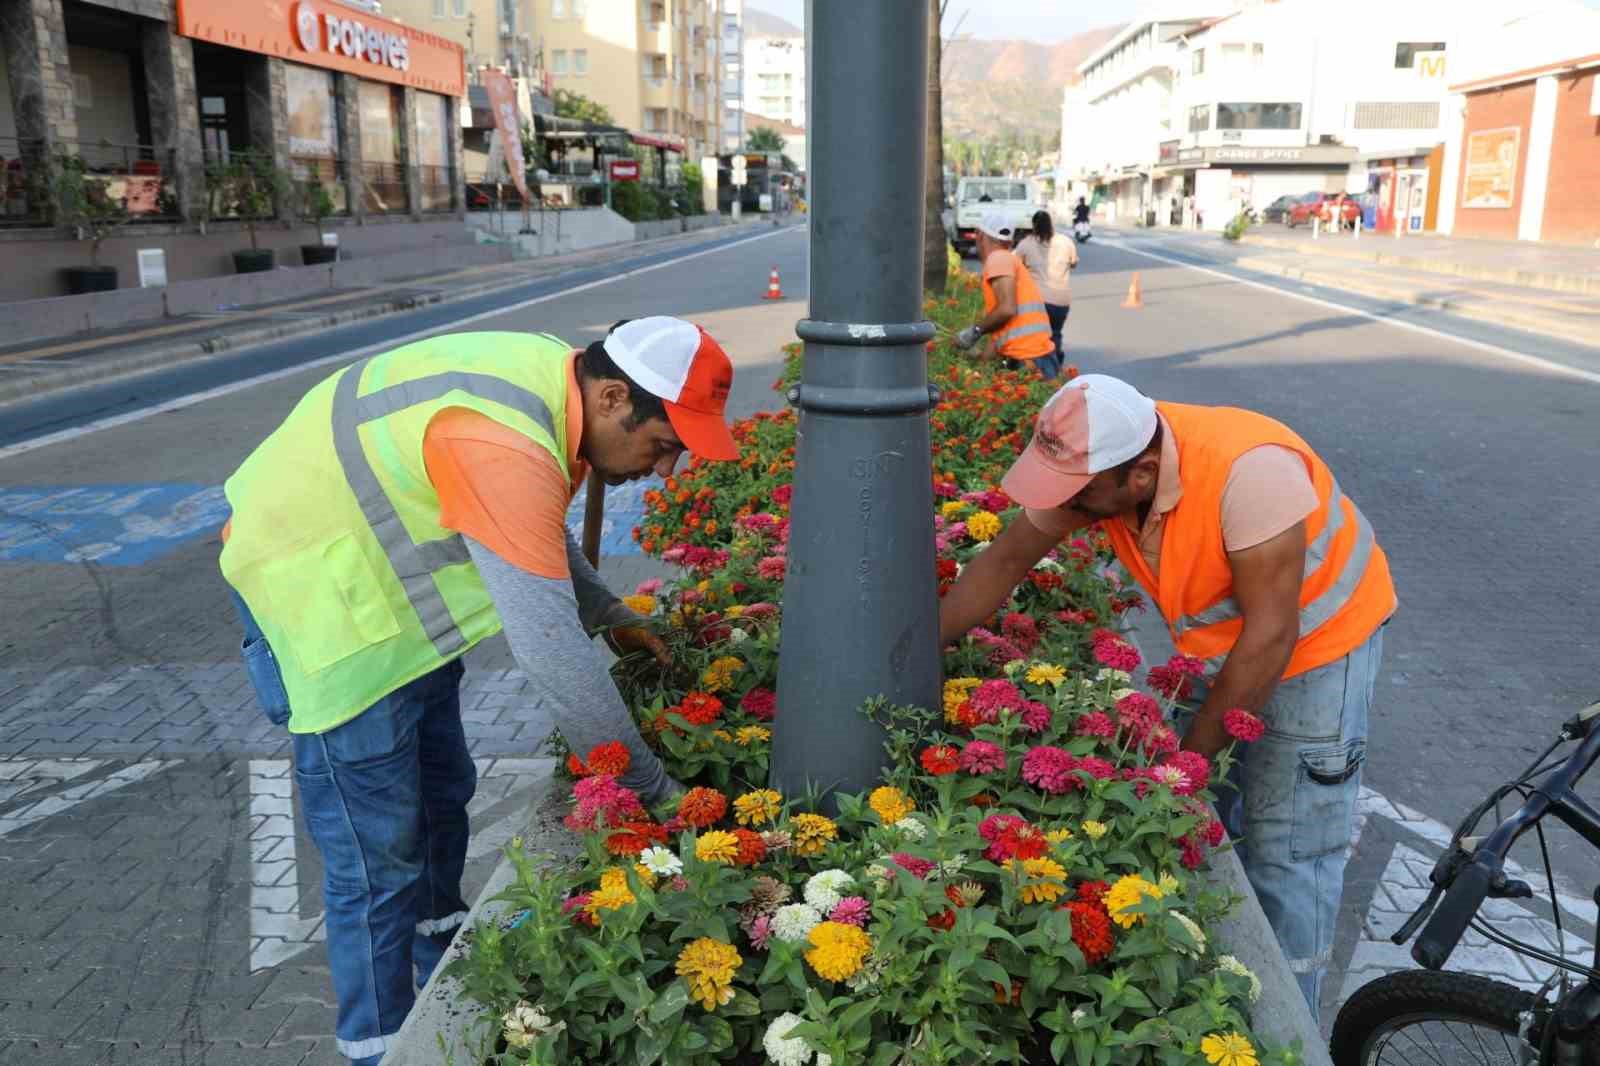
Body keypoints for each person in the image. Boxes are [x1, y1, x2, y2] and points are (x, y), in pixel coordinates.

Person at [218, 318, 740, 1065]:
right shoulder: (502, 438)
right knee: (377, 861)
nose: (663, 470)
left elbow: (532, 530)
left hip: (392, 610)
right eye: (662, 445)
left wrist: (610, 613)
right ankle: (376, 1045)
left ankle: (438, 971)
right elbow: (552, 654)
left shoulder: (547, 382)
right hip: (323, 602)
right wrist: (658, 795)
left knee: (441, 798)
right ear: (615, 395)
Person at [939, 374, 1396, 1010]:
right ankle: (1223, 994)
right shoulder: (1098, 470)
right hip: (1221, 648)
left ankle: (1295, 1022)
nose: (1063, 505)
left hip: (1319, 645)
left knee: (1287, 853)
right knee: (1202, 824)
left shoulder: (1250, 472)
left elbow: (1270, 634)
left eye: (1077, 494)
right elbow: (1006, 560)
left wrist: (1185, 771)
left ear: (1144, 476)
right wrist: (915, 649)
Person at [953, 210, 1060, 379]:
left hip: (1029, 361)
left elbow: (1007, 309)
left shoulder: (997, 259)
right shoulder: (1009, 259)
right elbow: (1002, 332)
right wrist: (980, 365)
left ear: (979, 235)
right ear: (1009, 241)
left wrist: (974, 331)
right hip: (1037, 358)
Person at [1012, 209, 1077, 363]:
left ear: (1034, 225)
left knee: (1034, 336)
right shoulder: (1065, 242)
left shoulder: (1026, 244)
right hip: (1061, 300)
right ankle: (1055, 365)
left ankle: (1036, 371)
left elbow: (1013, 264)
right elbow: (1074, 263)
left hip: (1036, 301)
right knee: (1055, 333)